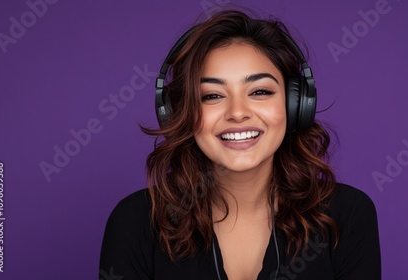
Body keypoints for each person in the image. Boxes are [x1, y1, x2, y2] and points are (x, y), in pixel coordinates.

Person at [99, 9, 381, 280]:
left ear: (296, 104)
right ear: (178, 113)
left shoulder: (347, 215)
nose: (237, 112)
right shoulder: (135, 223)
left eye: (259, 91)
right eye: (211, 95)